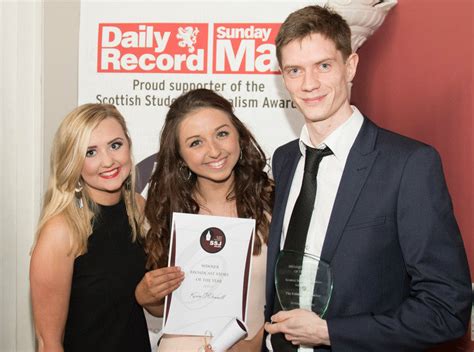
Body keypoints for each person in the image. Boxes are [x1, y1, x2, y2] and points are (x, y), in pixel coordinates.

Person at [264, 5, 472, 352]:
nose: (309, 83)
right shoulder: (284, 160)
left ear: (351, 67)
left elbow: (446, 307)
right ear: (284, 79)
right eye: (295, 70)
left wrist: (331, 332)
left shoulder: (408, 165)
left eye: (324, 66)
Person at [30, 103, 184, 352]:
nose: (108, 161)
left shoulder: (137, 207)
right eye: (90, 152)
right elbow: (49, 342)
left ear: (128, 145)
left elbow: (150, 306)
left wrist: (152, 291)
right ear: (73, 161)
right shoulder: (60, 231)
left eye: (115, 145)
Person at [143, 88, 274, 352]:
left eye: (222, 134)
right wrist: (147, 295)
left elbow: (287, 294)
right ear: (180, 155)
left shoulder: (273, 201)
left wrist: (255, 342)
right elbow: (158, 309)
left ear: (239, 135)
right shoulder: (163, 211)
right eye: (196, 142)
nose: (214, 151)